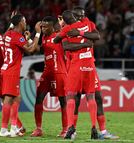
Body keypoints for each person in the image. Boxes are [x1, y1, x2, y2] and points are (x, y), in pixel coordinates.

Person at [67, 6, 119, 140]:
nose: (81, 18)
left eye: (82, 15)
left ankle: (102, 131)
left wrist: (80, 33)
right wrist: (85, 43)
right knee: (76, 99)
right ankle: (72, 129)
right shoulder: (68, 27)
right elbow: (67, 45)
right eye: (78, 16)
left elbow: (96, 35)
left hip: (90, 66)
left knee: (98, 98)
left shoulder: (88, 23)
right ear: (73, 17)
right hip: (76, 65)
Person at [54, 10, 98, 139]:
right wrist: (84, 42)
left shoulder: (67, 28)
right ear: (74, 17)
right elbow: (96, 36)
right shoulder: (87, 24)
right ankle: (94, 127)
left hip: (77, 64)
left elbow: (59, 42)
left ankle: (70, 126)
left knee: (71, 95)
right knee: (91, 96)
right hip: (89, 64)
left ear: (65, 20)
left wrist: (62, 27)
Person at [0, 14, 41, 137]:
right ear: (20, 24)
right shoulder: (18, 37)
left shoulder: (8, 34)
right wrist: (37, 33)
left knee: (17, 98)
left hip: (7, 69)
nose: (25, 23)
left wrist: (27, 38)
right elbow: (32, 49)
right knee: (8, 99)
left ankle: (13, 128)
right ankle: (3, 129)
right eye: (24, 21)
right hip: (11, 71)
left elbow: (23, 44)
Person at [30, 16, 68, 138]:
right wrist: (33, 38)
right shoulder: (45, 37)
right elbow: (38, 49)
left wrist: (62, 24)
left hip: (59, 72)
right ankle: (38, 129)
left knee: (63, 101)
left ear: (52, 27)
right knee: (39, 98)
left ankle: (65, 129)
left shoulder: (59, 36)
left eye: (46, 27)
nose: (44, 29)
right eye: (42, 27)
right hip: (47, 73)